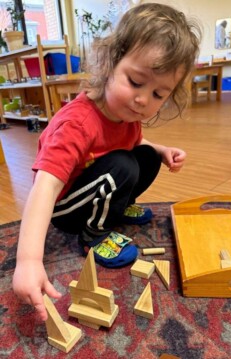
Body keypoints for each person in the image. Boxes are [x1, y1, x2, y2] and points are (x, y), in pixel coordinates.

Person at [12, 3, 201, 321]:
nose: (143, 100)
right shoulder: (77, 123)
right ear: (109, 63)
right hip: (65, 207)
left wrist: (162, 149)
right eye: (136, 82)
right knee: (123, 166)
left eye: (158, 94)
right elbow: (45, 187)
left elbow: (133, 142)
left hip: (96, 185)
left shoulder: (128, 113)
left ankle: (119, 205)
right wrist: (28, 260)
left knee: (144, 155)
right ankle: (94, 234)